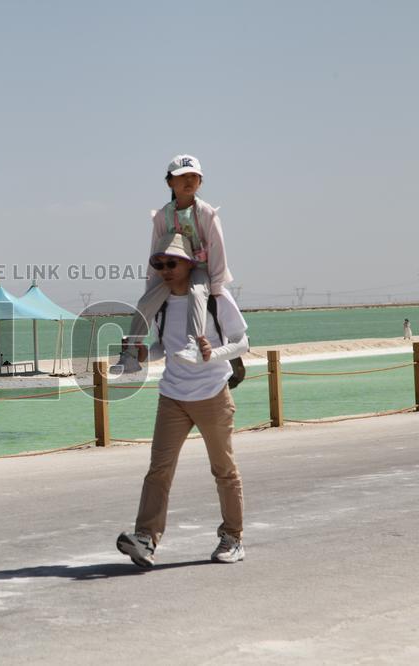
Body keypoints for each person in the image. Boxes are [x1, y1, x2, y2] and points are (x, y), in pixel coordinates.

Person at [116, 232, 249, 568]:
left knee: (224, 470)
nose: (165, 270)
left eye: (171, 263)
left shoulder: (215, 297)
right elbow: (165, 347)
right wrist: (145, 354)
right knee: (158, 471)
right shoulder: (159, 303)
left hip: (212, 394)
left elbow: (242, 342)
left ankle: (232, 537)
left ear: (190, 263)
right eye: (159, 264)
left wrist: (212, 353)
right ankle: (145, 538)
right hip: (172, 395)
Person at [117, 155, 233, 372]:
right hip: (173, 270)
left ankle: (193, 344)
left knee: (197, 293)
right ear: (170, 182)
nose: (189, 181)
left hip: (199, 270)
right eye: (182, 176)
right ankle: (131, 352)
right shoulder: (163, 216)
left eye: (194, 176)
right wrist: (152, 287)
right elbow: (156, 252)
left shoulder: (207, 213)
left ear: (200, 181)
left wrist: (216, 288)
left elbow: (218, 250)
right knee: (145, 303)